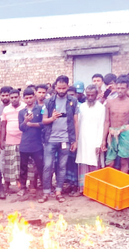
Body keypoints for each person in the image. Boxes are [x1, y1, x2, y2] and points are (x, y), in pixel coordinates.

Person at [39, 75, 79, 203]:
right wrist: (52, 118)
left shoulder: (73, 101)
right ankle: (46, 192)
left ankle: (58, 191)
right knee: (47, 166)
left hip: (65, 139)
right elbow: (44, 120)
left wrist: (75, 140)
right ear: (55, 87)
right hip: (50, 139)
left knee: (62, 166)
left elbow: (75, 121)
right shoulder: (48, 102)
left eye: (64, 88)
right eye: (59, 88)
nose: (61, 90)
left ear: (67, 87)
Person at [102, 76, 129, 174]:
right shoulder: (110, 102)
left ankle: (121, 185)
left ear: (127, 89)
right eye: (118, 88)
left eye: (122, 88)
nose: (120, 90)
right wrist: (103, 140)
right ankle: (110, 183)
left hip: (124, 132)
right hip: (112, 132)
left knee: (124, 160)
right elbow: (106, 121)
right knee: (109, 161)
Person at [76, 84, 105, 192]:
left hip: (94, 140)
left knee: (94, 162)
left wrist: (99, 143)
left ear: (96, 95)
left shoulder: (101, 108)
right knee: (82, 162)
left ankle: (93, 190)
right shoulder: (82, 107)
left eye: (92, 95)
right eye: (88, 95)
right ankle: (82, 189)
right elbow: (77, 123)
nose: (90, 97)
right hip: (82, 141)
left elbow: (102, 126)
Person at [17, 87, 44, 196]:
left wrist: (33, 124)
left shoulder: (40, 109)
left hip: (37, 144)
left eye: (30, 97)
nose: (28, 100)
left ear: (34, 97)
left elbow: (43, 124)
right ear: (23, 99)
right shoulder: (21, 112)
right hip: (25, 144)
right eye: (26, 98)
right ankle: (22, 187)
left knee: (40, 166)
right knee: (23, 168)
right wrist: (26, 121)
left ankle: (44, 187)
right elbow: (21, 128)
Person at [0, 88, 26, 194]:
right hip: (9, 141)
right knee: (8, 164)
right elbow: (3, 126)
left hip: (22, 141)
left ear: (19, 97)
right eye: (12, 98)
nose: (14, 99)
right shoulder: (6, 110)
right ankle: (7, 185)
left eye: (16, 97)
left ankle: (21, 185)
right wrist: (2, 140)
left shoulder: (24, 107)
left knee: (21, 165)